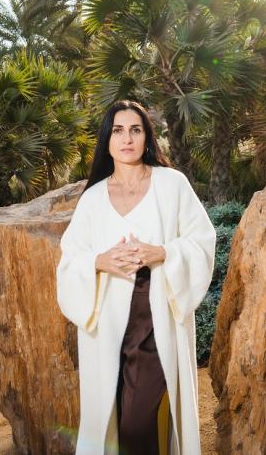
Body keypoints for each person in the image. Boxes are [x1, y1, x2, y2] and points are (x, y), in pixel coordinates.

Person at [56, 100, 217, 455]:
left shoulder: (172, 184)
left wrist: (164, 252)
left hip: (157, 319)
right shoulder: (94, 199)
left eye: (135, 129)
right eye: (117, 130)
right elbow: (70, 261)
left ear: (147, 137)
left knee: (137, 423)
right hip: (108, 324)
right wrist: (99, 261)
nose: (126, 138)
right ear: (107, 140)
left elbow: (203, 240)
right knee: (113, 418)